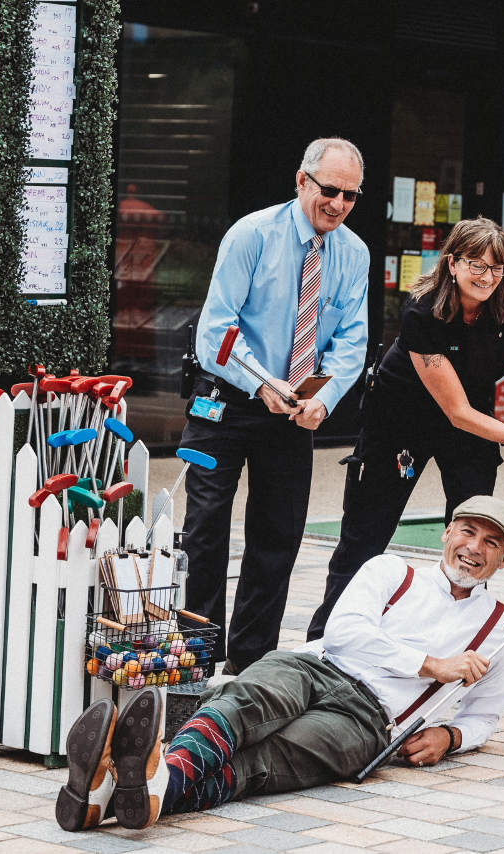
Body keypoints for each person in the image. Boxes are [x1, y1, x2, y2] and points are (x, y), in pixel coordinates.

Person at [56, 496, 504, 832]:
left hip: (368, 722)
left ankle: (107, 797)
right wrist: (431, 665)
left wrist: (452, 736)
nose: (474, 548)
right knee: (247, 702)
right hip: (316, 667)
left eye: (491, 543)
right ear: (447, 532)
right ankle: (148, 787)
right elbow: (345, 633)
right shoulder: (390, 569)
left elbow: (483, 717)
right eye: (468, 531)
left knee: (264, 760)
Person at [306, 217, 504, 641]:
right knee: (366, 535)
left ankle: (456, 641)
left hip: (472, 426)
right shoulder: (423, 310)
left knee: (476, 532)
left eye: (497, 268)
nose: (487, 277)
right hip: (401, 421)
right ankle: (324, 643)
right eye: (476, 265)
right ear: (453, 263)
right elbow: (454, 410)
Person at [182, 137, 370, 674]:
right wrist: (261, 382)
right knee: (206, 529)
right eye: (328, 190)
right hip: (228, 396)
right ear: (301, 180)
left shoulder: (353, 254)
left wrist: (325, 400)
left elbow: (350, 344)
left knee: (279, 536)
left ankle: (249, 661)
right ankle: (197, 656)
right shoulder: (252, 235)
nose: (337, 204)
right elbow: (216, 330)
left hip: (295, 410)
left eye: (350, 196)